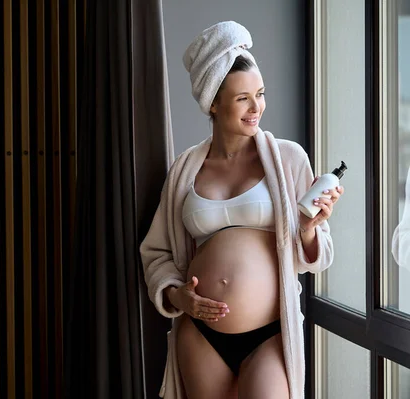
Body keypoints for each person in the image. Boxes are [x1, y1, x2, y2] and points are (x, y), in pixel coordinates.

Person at [140, 21, 344, 399]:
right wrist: (176, 295)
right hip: (199, 336)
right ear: (213, 103)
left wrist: (309, 229)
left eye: (261, 94)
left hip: (267, 332)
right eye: (242, 98)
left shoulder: (287, 158)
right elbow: (157, 254)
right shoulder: (185, 169)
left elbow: (317, 257)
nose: (257, 108)